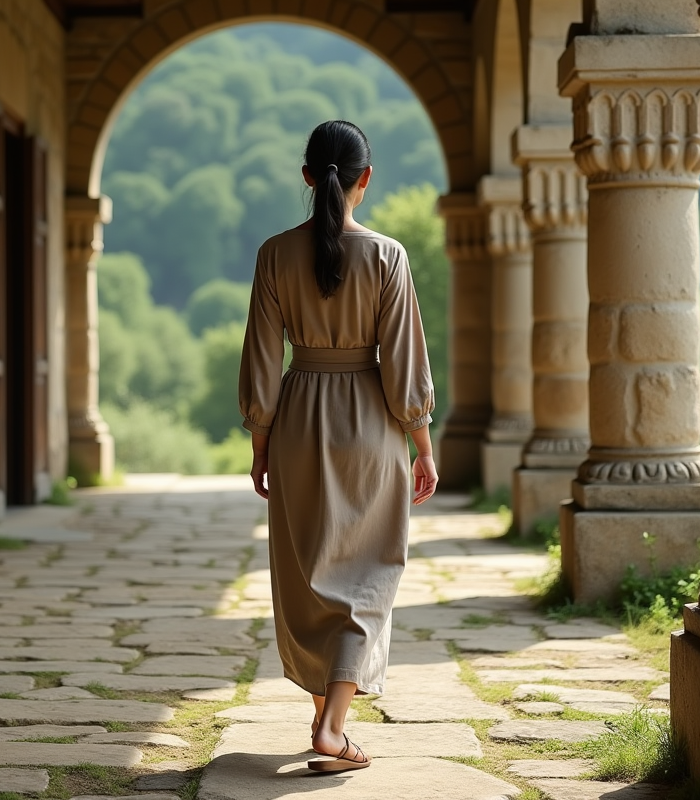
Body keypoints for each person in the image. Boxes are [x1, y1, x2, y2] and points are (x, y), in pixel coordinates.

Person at [238, 119, 438, 773]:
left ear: (307, 177)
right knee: (369, 570)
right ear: (366, 180)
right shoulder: (388, 257)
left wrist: (261, 442)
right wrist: (423, 443)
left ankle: (327, 719)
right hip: (372, 422)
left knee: (311, 570)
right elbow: (405, 364)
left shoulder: (273, 255)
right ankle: (331, 728)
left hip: (298, 418)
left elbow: (263, 363)